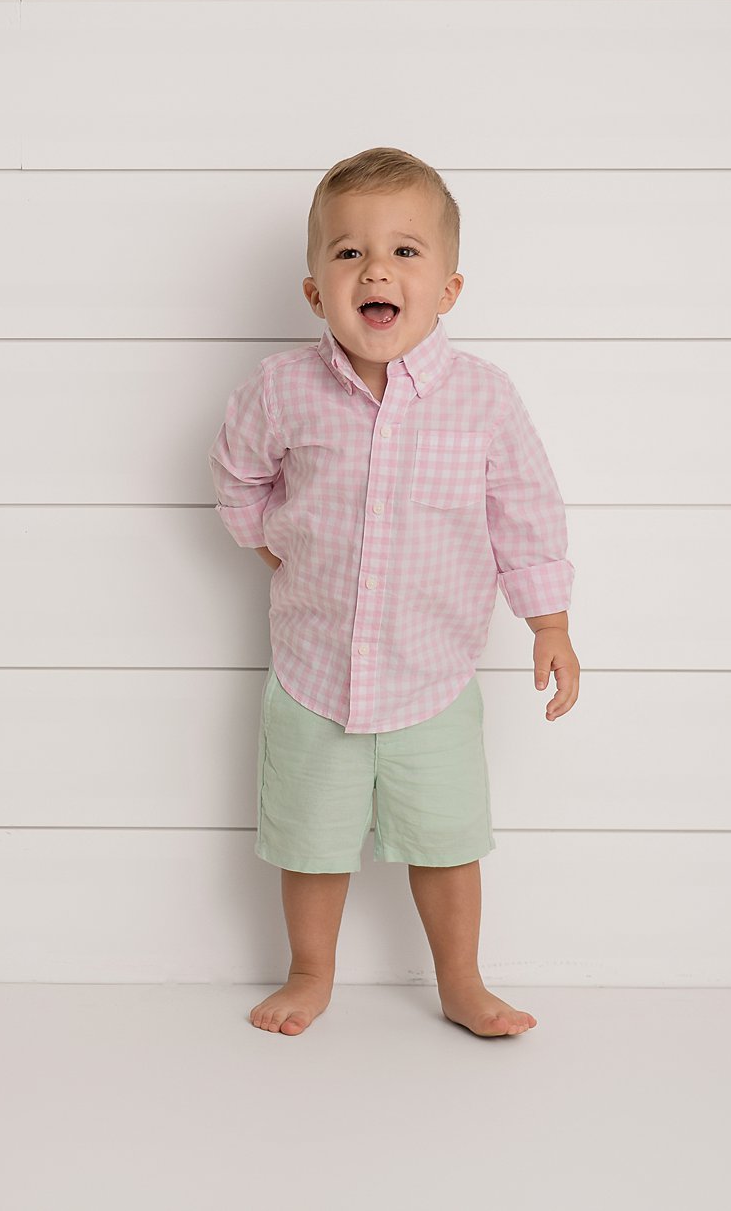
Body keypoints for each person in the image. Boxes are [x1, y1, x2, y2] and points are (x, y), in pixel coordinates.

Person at [207, 146, 580, 1038]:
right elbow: (237, 478)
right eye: (348, 253)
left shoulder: (484, 400)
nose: (376, 268)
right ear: (315, 292)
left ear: (448, 288)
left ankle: (461, 980)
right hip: (312, 672)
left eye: (406, 252)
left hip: (433, 676)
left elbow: (526, 510)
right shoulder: (281, 390)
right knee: (310, 839)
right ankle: (310, 970)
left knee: (448, 842)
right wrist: (272, 547)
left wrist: (550, 621)